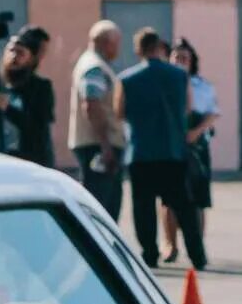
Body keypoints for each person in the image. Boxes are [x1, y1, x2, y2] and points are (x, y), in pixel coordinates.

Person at [116, 28, 206, 271]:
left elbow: (119, 112)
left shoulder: (126, 78)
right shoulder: (179, 76)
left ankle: (150, 254)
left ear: (138, 50)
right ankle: (197, 255)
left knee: (143, 207)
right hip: (173, 151)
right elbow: (188, 109)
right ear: (159, 47)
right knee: (184, 206)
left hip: (141, 152)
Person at [160, 38, 218, 263]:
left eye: (185, 58)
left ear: (192, 61)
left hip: (196, 146)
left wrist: (196, 132)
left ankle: (198, 245)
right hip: (170, 147)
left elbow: (212, 113)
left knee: (199, 198)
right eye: (176, 57)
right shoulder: (164, 83)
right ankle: (170, 245)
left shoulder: (202, 86)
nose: (180, 61)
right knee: (168, 199)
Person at [69, 20, 126, 220]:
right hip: (98, 146)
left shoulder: (95, 64)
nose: (118, 49)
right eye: (116, 43)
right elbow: (92, 105)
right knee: (102, 209)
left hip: (99, 144)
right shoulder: (94, 67)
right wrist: (106, 146)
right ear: (105, 42)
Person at [0, 24, 56, 168]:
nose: (14, 57)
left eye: (20, 53)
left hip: (32, 161)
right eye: (11, 51)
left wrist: (8, 109)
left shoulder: (41, 87)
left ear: (31, 58)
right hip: (1, 160)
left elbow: (38, 127)